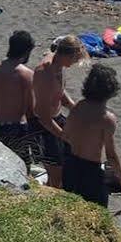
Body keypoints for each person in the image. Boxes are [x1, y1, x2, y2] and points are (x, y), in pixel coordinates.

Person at [58, 64, 121, 207]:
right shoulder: (107, 119)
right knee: (98, 209)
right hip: (90, 170)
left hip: (71, 164)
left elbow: (65, 135)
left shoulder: (78, 106)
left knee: (71, 207)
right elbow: (111, 155)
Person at [31, 35, 86, 187]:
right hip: (43, 126)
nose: (74, 64)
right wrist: (63, 135)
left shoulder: (58, 64)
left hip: (57, 116)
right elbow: (43, 116)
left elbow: (59, 92)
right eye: (74, 59)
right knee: (56, 174)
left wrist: (74, 108)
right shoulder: (45, 73)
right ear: (66, 55)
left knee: (69, 162)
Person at [0, 31, 40, 169]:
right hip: (18, 127)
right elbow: (30, 109)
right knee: (22, 166)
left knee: (0, 164)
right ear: (27, 51)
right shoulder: (26, 74)